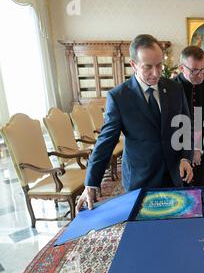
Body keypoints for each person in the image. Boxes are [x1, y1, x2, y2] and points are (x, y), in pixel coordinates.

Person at [76, 34, 193, 211]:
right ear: (133, 65)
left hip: (174, 175)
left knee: (174, 227)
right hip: (140, 178)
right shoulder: (119, 97)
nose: (156, 73)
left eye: (159, 65)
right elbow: (106, 141)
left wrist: (185, 156)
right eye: (148, 67)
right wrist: (91, 183)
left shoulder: (175, 89)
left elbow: (185, 127)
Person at [173, 45, 204, 186]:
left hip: (202, 151)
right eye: (194, 71)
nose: (200, 75)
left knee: (203, 190)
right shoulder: (171, 88)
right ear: (182, 68)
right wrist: (187, 153)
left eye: (203, 69)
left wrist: (200, 149)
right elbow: (171, 125)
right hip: (177, 152)